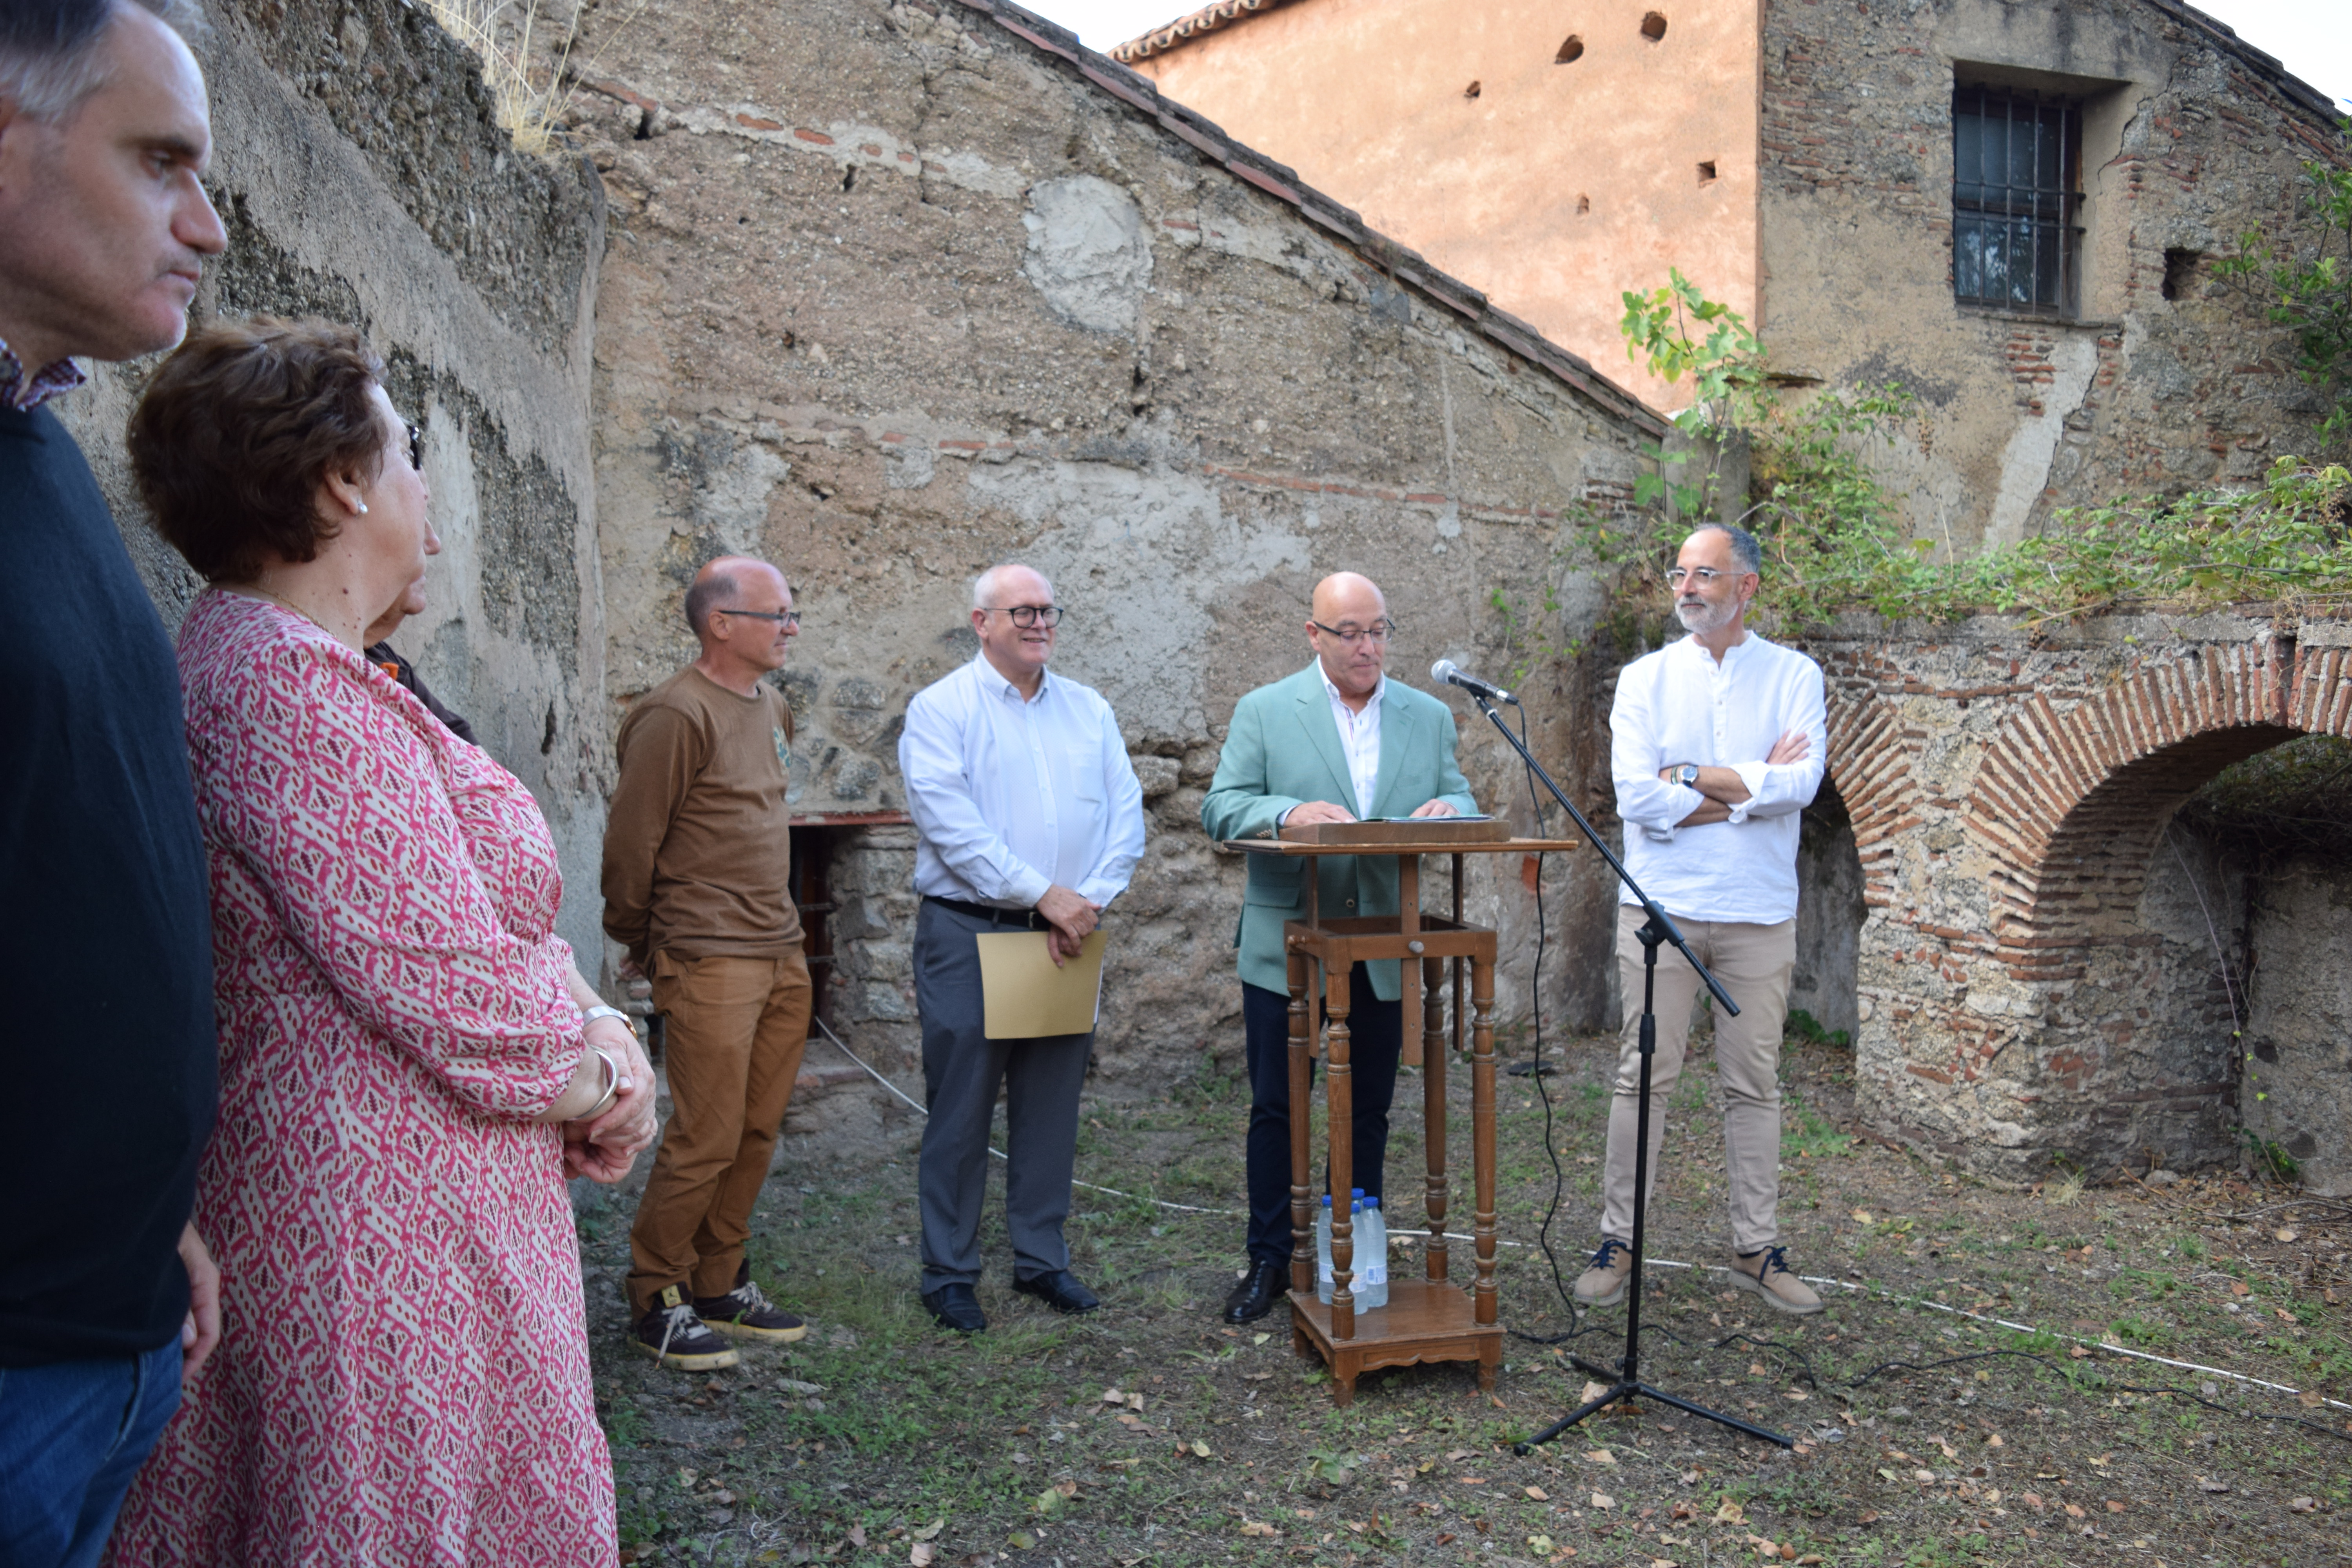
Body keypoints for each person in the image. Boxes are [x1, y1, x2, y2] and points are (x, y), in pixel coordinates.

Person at [103, 317, 657, 1564]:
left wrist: (601, 1028)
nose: (427, 495)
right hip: (368, 1247)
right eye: (407, 454)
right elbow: (458, 988)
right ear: (343, 480)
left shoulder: (330, 672)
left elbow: (486, 935)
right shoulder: (278, 684)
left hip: (431, 1229)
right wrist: (611, 1073)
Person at [0, 2, 227, 1561]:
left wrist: (151, 1226)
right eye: (160, 163)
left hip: (111, 1313)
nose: (206, 226)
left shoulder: (43, 458)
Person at [1201, 571, 1478, 1324]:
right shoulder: (1265, 710)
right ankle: (1270, 1257)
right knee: (1278, 1105)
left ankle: (1349, 1255)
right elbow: (1221, 808)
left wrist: (1451, 807)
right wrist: (1287, 813)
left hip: (1386, 942)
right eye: (1350, 632)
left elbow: (1463, 797)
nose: (1368, 646)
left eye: (1379, 630)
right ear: (1314, 636)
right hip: (1289, 941)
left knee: (1369, 1110)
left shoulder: (1426, 715)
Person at [1574, 522, 1828, 1316]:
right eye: (1680, 573)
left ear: (1746, 586)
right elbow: (1635, 797)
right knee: (1641, 1076)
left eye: (1705, 575)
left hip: (1758, 913)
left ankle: (1756, 1245)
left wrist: (1691, 779)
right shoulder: (1643, 680)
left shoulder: (1794, 675)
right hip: (1660, 911)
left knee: (1753, 1083)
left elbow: (1804, 784)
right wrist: (1745, 794)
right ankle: (1620, 1239)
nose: (1686, 587)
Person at [898, 564, 1144, 1333]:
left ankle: (1041, 1259)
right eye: (1022, 610)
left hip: (1066, 935)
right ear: (982, 621)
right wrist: (1045, 893)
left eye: (1048, 609)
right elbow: (952, 825)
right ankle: (950, 1270)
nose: (1040, 622)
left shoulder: (1088, 709)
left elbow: (1126, 814)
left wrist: (1087, 899)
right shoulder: (941, 709)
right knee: (962, 1107)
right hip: (970, 931)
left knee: (1051, 1104)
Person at [603, 554, 818, 1370]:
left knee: (758, 1126)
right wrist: (642, 938)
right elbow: (632, 846)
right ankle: (656, 1290)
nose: (791, 628)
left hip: (780, 950)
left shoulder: (772, 707)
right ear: (721, 623)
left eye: (792, 613)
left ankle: (718, 1279)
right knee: (706, 1133)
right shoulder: (673, 713)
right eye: (779, 615)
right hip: (708, 953)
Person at [365, 575, 476, 743]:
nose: (434, 548)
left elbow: (459, 736)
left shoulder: (380, 656)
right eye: (418, 547)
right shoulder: (326, 671)